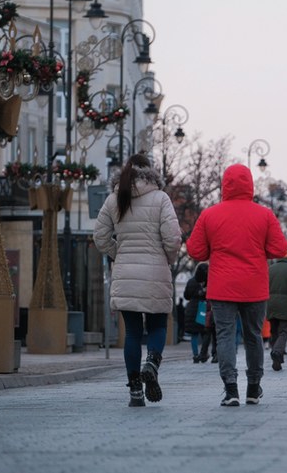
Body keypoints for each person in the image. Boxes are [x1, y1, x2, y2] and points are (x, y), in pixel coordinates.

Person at [186, 164, 287, 406]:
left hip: (222, 287)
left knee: (225, 336)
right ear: (250, 185)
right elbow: (279, 248)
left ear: (225, 185)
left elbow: (195, 250)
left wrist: (216, 247)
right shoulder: (264, 215)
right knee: (253, 335)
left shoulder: (210, 215)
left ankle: (231, 389)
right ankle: (253, 388)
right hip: (254, 285)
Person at [93, 154, 181, 407]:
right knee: (157, 326)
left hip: (126, 275)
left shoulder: (113, 199)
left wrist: (117, 254)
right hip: (155, 272)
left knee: (132, 332)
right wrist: (168, 258)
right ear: (150, 172)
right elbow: (173, 237)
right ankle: (152, 362)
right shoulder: (161, 198)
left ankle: (134, 392)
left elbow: (100, 237)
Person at [183, 263, 209, 363]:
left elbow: (186, 296)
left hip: (191, 309)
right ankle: (203, 353)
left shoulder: (190, 282)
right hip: (202, 309)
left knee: (194, 335)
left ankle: (196, 354)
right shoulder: (206, 282)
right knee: (204, 333)